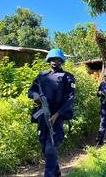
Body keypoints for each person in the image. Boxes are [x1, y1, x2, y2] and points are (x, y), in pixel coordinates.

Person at [28, 49, 75, 177]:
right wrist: (35, 95)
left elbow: (71, 99)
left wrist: (57, 114)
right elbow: (30, 91)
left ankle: (49, 174)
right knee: (44, 145)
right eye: (53, 59)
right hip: (42, 115)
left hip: (57, 116)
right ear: (49, 60)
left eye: (58, 59)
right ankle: (57, 172)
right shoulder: (41, 76)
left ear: (61, 61)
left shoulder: (67, 77)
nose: (55, 62)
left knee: (51, 148)